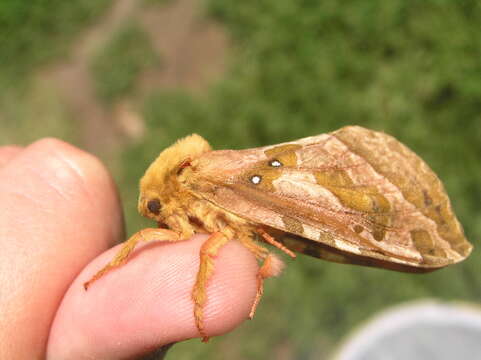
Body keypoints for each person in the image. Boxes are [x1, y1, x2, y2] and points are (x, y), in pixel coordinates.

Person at [0, 139, 259, 359]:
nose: (157, 219)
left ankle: (201, 299)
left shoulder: (195, 186)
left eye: (156, 208)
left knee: (154, 238)